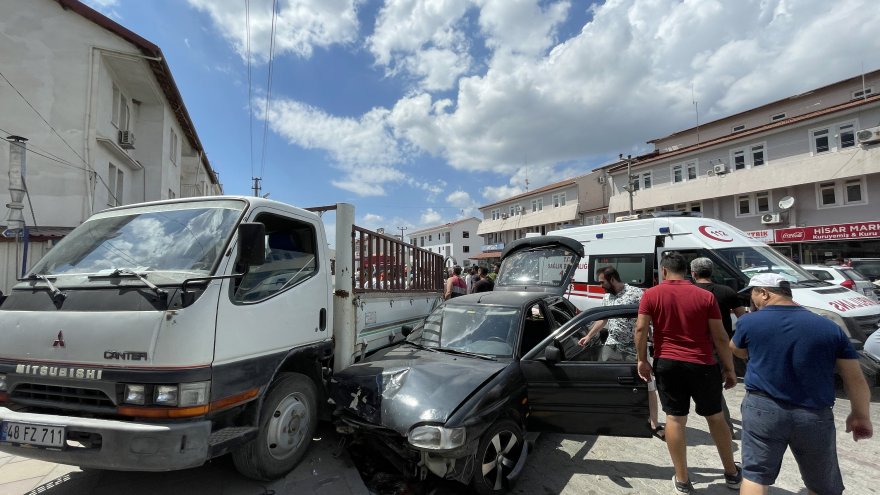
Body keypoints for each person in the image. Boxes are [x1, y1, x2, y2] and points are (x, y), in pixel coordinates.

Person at [731, 273, 873, 495]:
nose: (752, 301)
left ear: (764, 293)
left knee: (755, 476)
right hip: (813, 414)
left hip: (762, 410)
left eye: (753, 294)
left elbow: (737, 350)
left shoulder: (749, 322)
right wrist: (860, 414)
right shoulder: (829, 327)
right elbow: (854, 377)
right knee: (821, 484)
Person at [634, 252, 741, 494]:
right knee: (715, 417)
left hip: (668, 364)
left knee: (674, 419)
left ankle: (682, 479)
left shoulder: (651, 295)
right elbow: (721, 336)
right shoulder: (705, 296)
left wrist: (642, 360)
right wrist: (729, 368)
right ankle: (732, 474)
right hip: (702, 364)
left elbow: (640, 329)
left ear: (663, 271)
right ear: (687, 271)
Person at [578, 266, 664, 440]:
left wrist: (653, 339)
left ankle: (654, 423)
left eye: (602, 281)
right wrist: (588, 336)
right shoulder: (607, 297)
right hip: (612, 345)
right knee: (606, 381)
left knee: (647, 384)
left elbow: (649, 320)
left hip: (635, 347)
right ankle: (611, 416)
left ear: (611, 279)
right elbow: (603, 319)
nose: (600, 285)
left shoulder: (637, 293)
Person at [691, 257, 747, 434]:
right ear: (712, 271)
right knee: (714, 386)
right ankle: (725, 426)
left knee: (712, 388)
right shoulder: (726, 291)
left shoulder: (689, 292)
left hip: (697, 346)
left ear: (693, 273)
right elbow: (744, 320)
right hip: (723, 346)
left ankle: (725, 427)